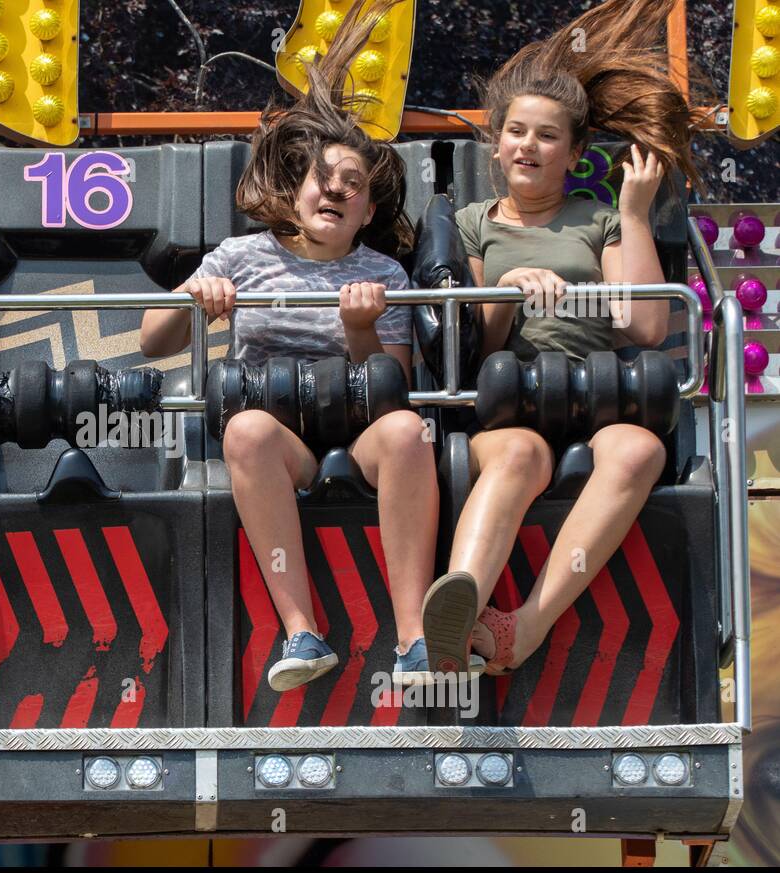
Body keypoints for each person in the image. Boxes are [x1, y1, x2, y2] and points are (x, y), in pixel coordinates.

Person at [141, 0, 479, 692]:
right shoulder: (240, 255)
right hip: (283, 436)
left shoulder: (383, 274)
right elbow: (152, 342)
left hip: (356, 432)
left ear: (367, 210)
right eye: (325, 177)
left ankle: (415, 639)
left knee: (410, 433)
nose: (336, 189)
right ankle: (302, 630)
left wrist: (360, 327)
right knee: (246, 433)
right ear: (295, 190)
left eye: (353, 186)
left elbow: (393, 383)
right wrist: (194, 306)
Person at [433, 0, 705, 675]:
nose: (528, 146)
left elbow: (643, 324)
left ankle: (523, 626)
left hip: (595, 396)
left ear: (574, 153)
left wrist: (636, 213)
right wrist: (505, 294)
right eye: (517, 132)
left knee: (639, 450)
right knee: (521, 455)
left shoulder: (599, 222)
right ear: (496, 143)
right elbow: (467, 351)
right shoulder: (469, 225)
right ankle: (456, 612)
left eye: (547, 136)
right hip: (506, 402)